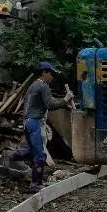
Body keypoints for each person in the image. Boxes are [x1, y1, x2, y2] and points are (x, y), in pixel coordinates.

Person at [22, 61, 72, 189]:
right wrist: (66, 99)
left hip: (27, 122)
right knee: (39, 155)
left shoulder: (33, 85)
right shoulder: (43, 86)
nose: (52, 77)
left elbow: (43, 103)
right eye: (51, 73)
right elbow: (50, 105)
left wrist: (62, 103)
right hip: (35, 122)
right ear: (44, 73)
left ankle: (11, 159)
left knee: (32, 152)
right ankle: (36, 184)